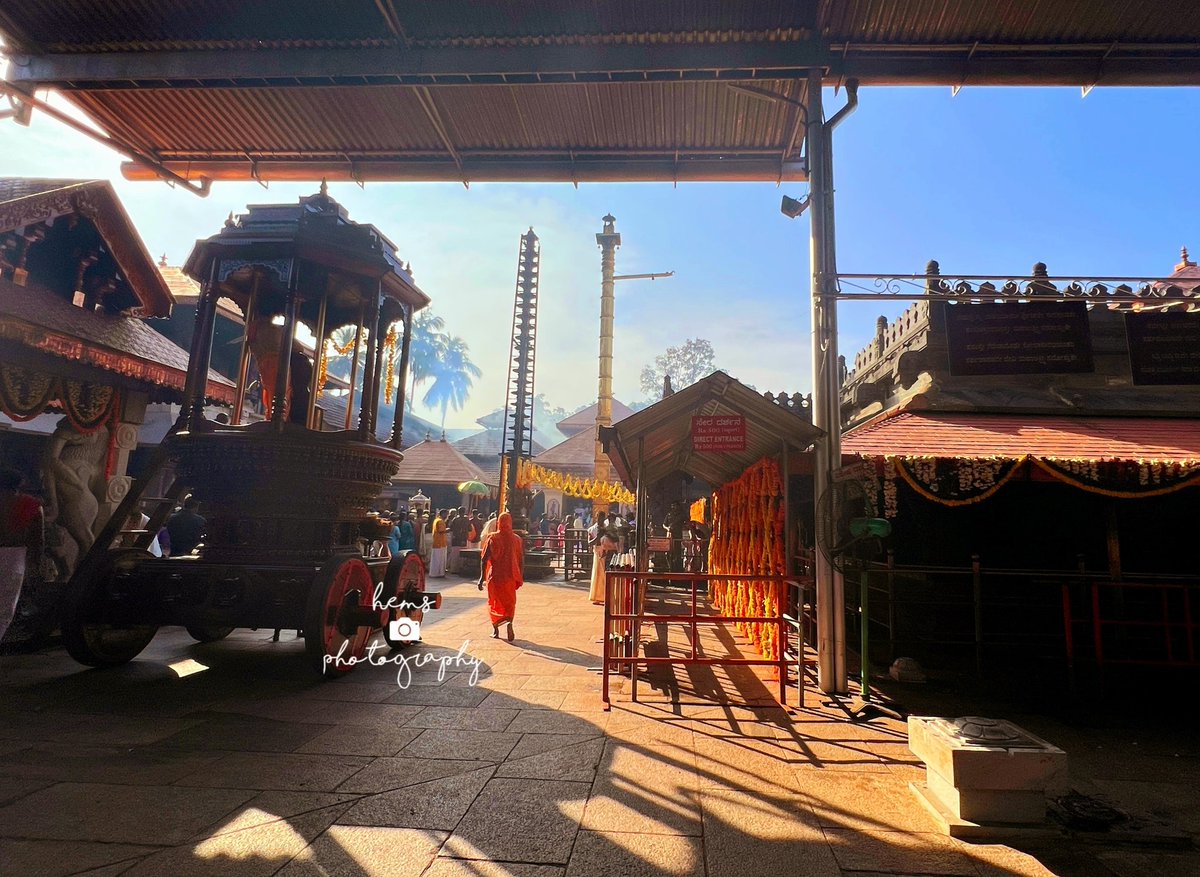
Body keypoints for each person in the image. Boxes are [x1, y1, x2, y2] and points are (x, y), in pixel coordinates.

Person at [0, 468, 43, 642]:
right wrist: (35, 565)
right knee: (4, 608)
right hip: (14, 556)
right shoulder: (31, 505)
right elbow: (37, 539)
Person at [477, 511, 523, 641]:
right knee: (510, 602)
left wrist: (481, 578)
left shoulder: (492, 538)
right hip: (510, 576)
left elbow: (484, 559)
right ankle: (510, 623)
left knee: (494, 602)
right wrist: (520, 574)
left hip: (495, 576)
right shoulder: (517, 539)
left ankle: (496, 630)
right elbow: (521, 559)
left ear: (498, 523)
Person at [587, 513, 617, 604]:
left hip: (608, 552)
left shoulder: (607, 528)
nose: (601, 520)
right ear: (596, 518)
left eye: (603, 518)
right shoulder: (592, 529)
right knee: (597, 574)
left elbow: (614, 539)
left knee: (607, 575)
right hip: (598, 552)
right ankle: (597, 596)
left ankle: (607, 596)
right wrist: (598, 537)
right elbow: (589, 543)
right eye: (600, 518)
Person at [448, 506, 470, 573]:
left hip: (456, 539)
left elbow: (450, 527)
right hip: (463, 539)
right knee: (463, 556)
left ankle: (454, 569)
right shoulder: (467, 520)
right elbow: (470, 529)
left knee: (454, 555)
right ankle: (461, 568)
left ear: (458, 512)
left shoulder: (455, 519)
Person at [429, 510, 448, 578]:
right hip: (440, 543)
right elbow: (441, 531)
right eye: (446, 514)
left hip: (438, 542)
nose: (447, 516)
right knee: (439, 559)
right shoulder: (440, 521)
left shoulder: (436, 520)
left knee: (436, 559)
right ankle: (438, 573)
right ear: (442, 514)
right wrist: (448, 529)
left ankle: (436, 573)